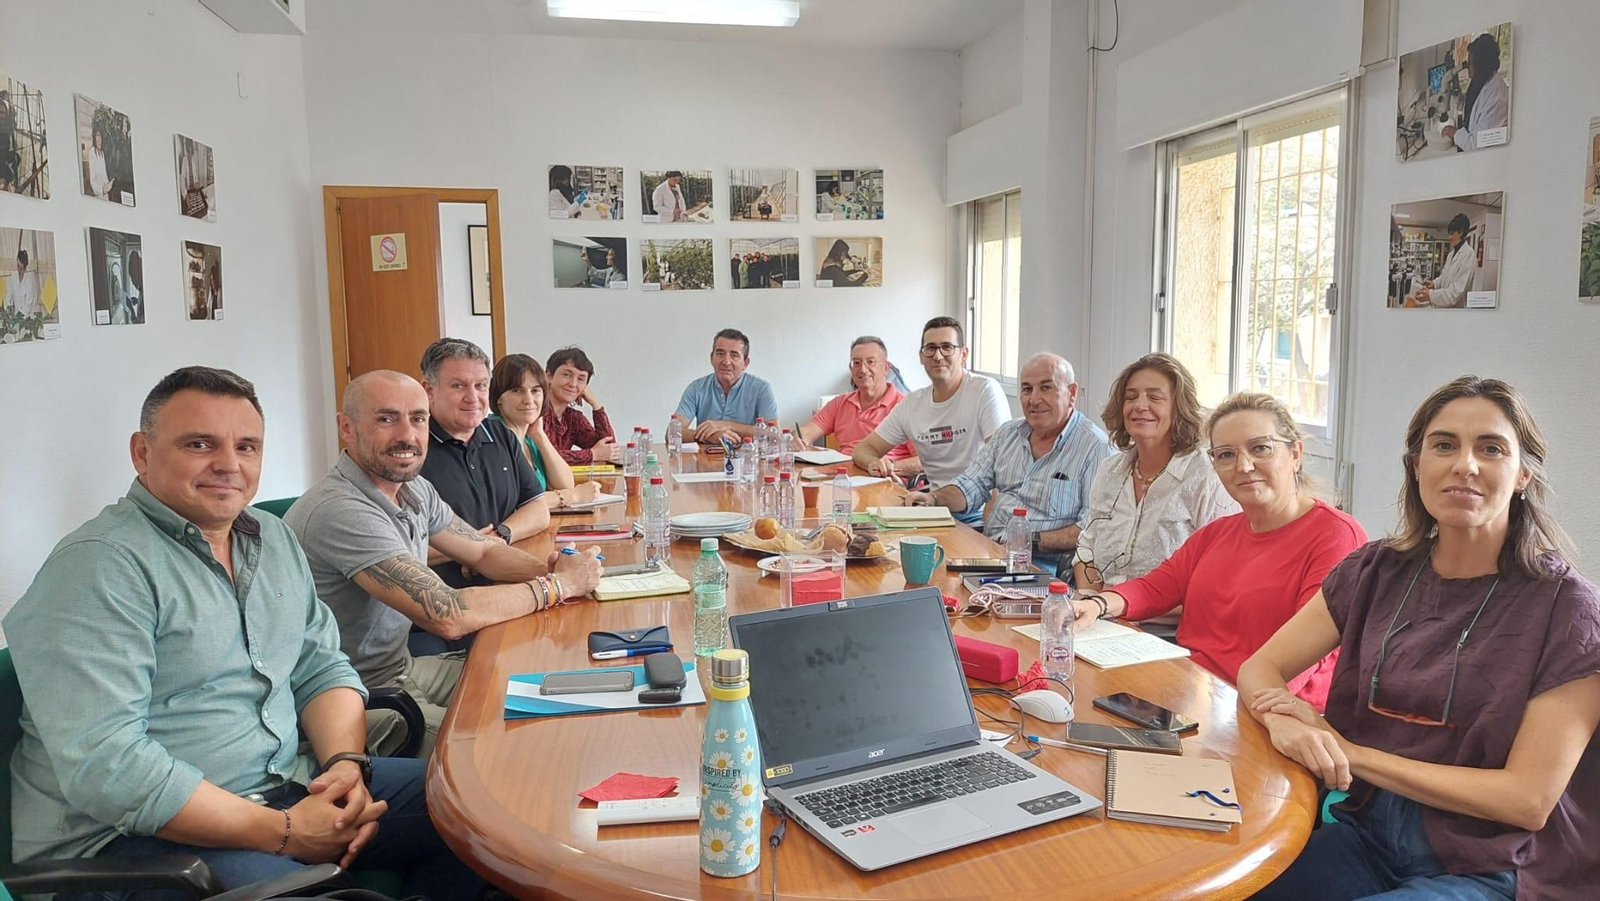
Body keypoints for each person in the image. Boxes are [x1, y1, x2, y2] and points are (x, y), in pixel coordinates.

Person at [3, 366, 484, 899]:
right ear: (142, 453)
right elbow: (112, 770)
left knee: (482, 807)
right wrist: (286, 833)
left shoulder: (270, 538)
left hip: (286, 788)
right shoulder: (98, 568)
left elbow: (320, 665)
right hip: (134, 845)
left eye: (247, 446)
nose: (229, 465)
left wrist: (345, 767)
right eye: (199, 444)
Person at [1241, 377, 1600, 901]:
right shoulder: (1374, 570)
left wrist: (1348, 753)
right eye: (1444, 444)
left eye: (1491, 448)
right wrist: (1283, 722)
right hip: (1368, 837)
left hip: (1491, 865)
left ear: (1523, 473)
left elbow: (1528, 800)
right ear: (1416, 465)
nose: (1465, 465)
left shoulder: (1569, 609)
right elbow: (1259, 668)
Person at [288, 370, 601, 758]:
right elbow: (448, 614)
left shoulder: (412, 487)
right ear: (346, 428)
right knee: (508, 751)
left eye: (418, 419)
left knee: (552, 684)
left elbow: (483, 551)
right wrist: (558, 587)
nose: (408, 435)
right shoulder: (341, 509)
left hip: (402, 669)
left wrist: (556, 571)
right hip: (355, 696)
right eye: (386, 418)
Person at [1071, 392, 1367, 710]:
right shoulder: (1217, 532)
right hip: (1194, 694)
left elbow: (1299, 659)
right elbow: (1156, 586)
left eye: (1260, 448)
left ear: (1295, 453)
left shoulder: (1336, 536)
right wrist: (1098, 604)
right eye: (1225, 455)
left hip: (1269, 712)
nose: (1243, 465)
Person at [909, 354, 1114, 572]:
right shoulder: (1008, 434)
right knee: (926, 576)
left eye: (1046, 388)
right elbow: (971, 484)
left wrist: (1028, 541)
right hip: (989, 554)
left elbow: (1091, 529)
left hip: (1042, 566)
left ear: (1071, 393)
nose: (1034, 400)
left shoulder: (1095, 448)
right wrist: (933, 498)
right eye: (1026, 389)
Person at [1073, 354, 1239, 622]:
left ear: (1179, 408)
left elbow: (1218, 582)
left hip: (1167, 632)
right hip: (1103, 618)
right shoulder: (1109, 471)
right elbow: (1085, 551)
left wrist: (1118, 605)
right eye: (1131, 397)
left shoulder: (1207, 476)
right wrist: (1095, 605)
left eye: (1154, 397)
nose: (1140, 405)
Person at [415, 337, 549, 588]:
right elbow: (401, 545)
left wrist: (499, 537)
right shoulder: (412, 449)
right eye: (458, 386)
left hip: (509, 583)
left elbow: (538, 510)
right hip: (445, 600)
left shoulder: (500, 435)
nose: (472, 397)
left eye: (480, 385)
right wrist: (473, 549)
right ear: (429, 390)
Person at [853, 316, 1009, 520]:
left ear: (964, 354)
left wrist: (994, 527)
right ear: (921, 356)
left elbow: (1002, 464)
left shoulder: (984, 391)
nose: (938, 355)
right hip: (934, 509)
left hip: (976, 514)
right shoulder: (912, 404)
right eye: (931, 348)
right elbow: (863, 449)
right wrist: (874, 463)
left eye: (947, 347)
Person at [488, 353, 600, 509]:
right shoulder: (492, 436)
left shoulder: (528, 437)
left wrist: (539, 436)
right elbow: (514, 501)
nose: (529, 400)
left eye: (535, 391)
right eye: (517, 390)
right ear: (498, 397)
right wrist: (572, 496)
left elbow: (565, 483)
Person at [801, 335, 916, 462]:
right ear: (851, 368)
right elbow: (804, 434)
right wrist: (797, 439)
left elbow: (923, 461)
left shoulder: (907, 407)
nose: (862, 369)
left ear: (886, 368)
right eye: (856, 363)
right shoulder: (840, 403)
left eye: (870, 362)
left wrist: (891, 468)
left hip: (886, 478)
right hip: (843, 477)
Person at [673, 328, 779, 444]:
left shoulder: (761, 389)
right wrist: (708, 436)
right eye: (720, 354)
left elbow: (774, 434)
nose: (726, 362)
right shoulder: (696, 388)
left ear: (745, 363)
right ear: (711, 358)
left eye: (734, 355)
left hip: (748, 458)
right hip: (706, 459)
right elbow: (672, 432)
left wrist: (725, 425)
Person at [544, 345, 622, 466]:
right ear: (549, 376)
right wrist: (592, 454)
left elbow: (609, 448)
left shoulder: (573, 418)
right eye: (566, 375)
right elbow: (543, 457)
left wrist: (595, 404)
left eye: (581, 379)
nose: (573, 384)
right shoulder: (535, 412)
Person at [1444, 33, 1510, 153]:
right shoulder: (1480, 79)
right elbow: (1466, 108)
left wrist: (1455, 133)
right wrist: (1455, 89)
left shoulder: (1496, 99)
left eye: (1470, 63)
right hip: (1469, 135)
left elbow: (1476, 145)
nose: (1466, 66)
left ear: (1482, 66)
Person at [1415, 214, 1474, 308]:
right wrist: (1434, 283)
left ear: (1461, 232)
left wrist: (1430, 295)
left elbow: (1456, 291)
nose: (1449, 237)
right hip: (1442, 306)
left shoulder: (1468, 254)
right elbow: (1444, 277)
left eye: (1451, 233)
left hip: (1455, 310)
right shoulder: (1451, 254)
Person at [7, 247, 39, 319]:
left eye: (21, 268)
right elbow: (9, 294)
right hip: (15, 316)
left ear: (25, 267)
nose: (19, 270)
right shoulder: (13, 277)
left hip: (26, 318)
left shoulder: (29, 280)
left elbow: (28, 304)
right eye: (17, 266)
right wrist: (9, 309)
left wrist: (20, 317)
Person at [86, 122, 113, 200]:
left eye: (101, 136)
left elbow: (104, 174)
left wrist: (108, 183)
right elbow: (93, 181)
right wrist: (101, 189)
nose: (99, 139)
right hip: (99, 195)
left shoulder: (102, 153)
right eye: (97, 135)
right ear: (94, 137)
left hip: (106, 194)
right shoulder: (92, 152)